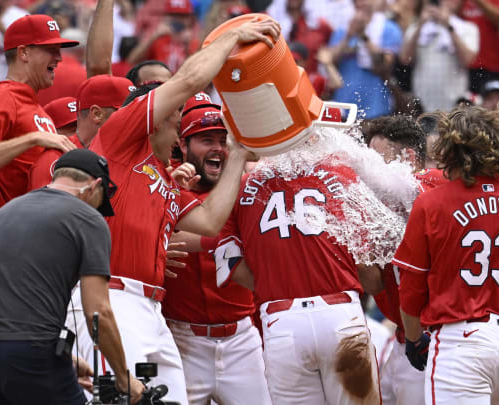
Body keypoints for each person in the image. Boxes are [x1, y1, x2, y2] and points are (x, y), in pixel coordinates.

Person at [68, 17, 281, 405]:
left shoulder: (163, 178)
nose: (179, 135)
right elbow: (185, 82)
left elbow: (210, 222)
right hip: (112, 297)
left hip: (151, 309)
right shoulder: (120, 138)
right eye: (177, 121)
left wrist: (236, 159)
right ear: (159, 120)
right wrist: (231, 36)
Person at [202, 144, 383, 403]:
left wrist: (277, 282)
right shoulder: (342, 173)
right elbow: (367, 265)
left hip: (281, 320)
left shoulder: (240, 186)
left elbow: (231, 264)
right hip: (340, 313)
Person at [394, 106, 499, 404]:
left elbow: (411, 289)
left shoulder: (432, 203)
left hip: (460, 342)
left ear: (450, 149)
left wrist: (413, 340)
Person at [0, 149, 145, 405]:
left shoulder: (4, 212)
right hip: (33, 353)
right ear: (96, 186)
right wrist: (124, 377)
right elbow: (98, 313)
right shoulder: (88, 219)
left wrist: (66, 359)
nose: (98, 211)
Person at [161, 98, 272, 405]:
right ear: (182, 146)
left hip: (242, 340)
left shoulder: (250, 187)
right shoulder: (166, 184)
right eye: (206, 140)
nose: (218, 148)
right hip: (182, 339)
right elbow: (152, 241)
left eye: (224, 141)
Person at [364, 115, 446, 405]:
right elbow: (372, 280)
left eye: (377, 160)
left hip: (434, 339)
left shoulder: (434, 184)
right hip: (403, 337)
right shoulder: (381, 199)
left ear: (408, 157)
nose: (370, 170)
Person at [0, 14, 79, 239]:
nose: (59, 58)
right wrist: (31, 139)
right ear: (23, 52)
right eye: (50, 49)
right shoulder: (1, 97)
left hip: (23, 240)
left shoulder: (37, 108)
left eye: (59, 49)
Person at [29, 74, 134, 191]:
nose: (133, 117)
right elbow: (45, 206)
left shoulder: (129, 152)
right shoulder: (57, 159)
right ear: (96, 114)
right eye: (126, 112)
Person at [399, 0, 479, 112]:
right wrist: (420, 25)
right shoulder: (416, 27)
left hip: (454, 104)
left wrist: (448, 26)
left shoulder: (467, 28)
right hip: (422, 104)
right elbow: (405, 59)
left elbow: (467, 60)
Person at [329, 0, 402, 119]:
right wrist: (349, 35)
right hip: (344, 104)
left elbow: (385, 64)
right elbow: (329, 60)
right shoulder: (342, 29)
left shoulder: (389, 28)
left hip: (376, 105)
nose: (361, 3)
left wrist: (363, 35)